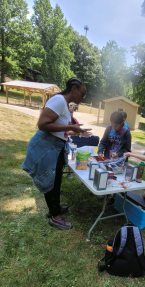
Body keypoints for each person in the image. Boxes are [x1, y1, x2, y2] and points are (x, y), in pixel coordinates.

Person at [21, 77, 91, 231]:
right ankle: (56, 217)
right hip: (47, 146)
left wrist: (78, 131)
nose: (83, 97)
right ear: (74, 89)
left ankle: (55, 208)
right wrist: (71, 127)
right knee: (50, 180)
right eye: (82, 93)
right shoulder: (59, 100)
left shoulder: (65, 105)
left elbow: (61, 129)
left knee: (56, 180)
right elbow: (43, 124)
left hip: (56, 147)